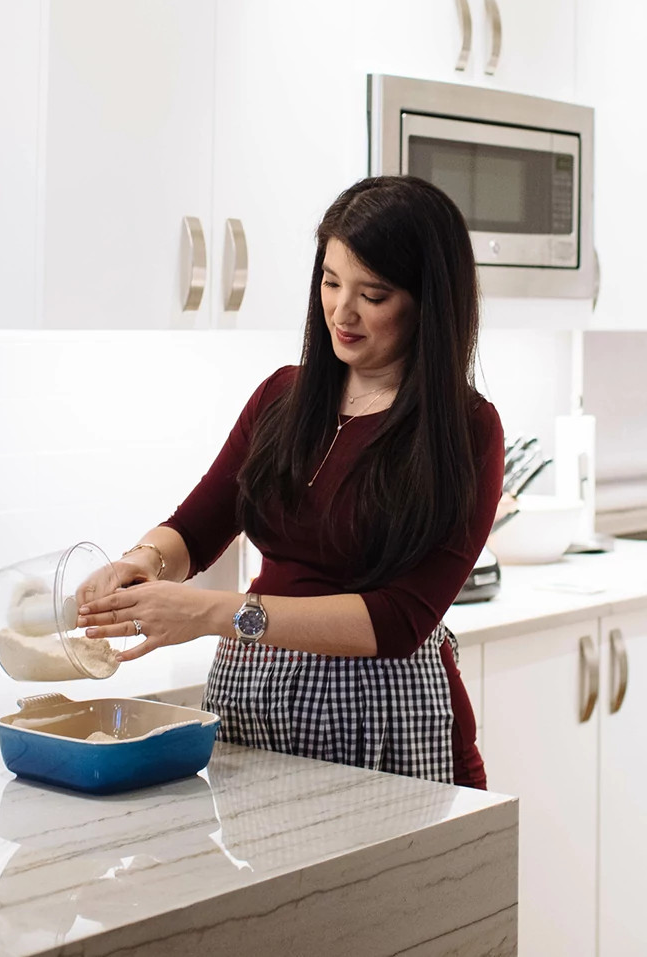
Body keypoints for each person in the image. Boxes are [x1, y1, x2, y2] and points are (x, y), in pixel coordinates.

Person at [76, 175, 502, 787]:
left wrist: (214, 613)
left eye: (372, 294)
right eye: (330, 282)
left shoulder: (465, 429)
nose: (342, 311)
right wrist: (141, 561)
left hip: (385, 712)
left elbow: (399, 620)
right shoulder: (282, 396)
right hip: (253, 696)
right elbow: (196, 527)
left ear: (427, 303)